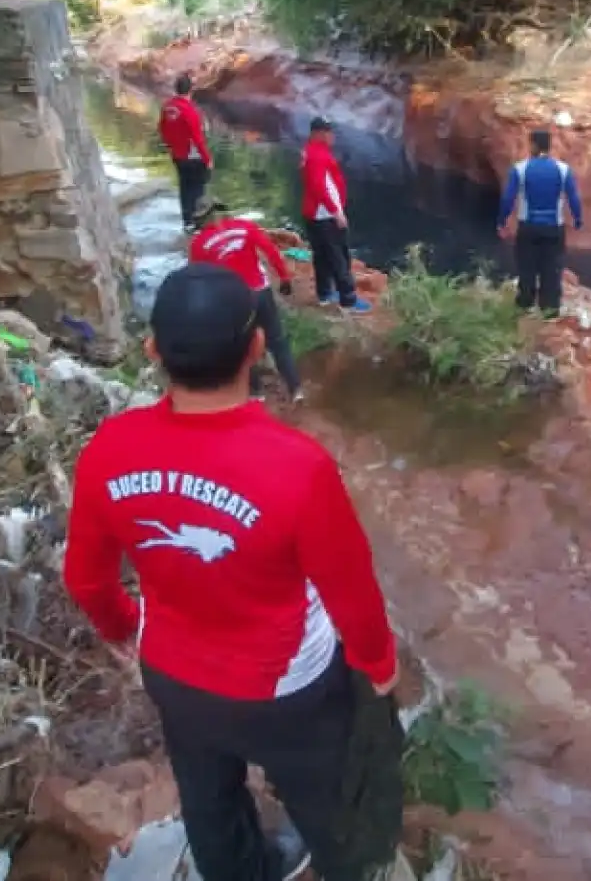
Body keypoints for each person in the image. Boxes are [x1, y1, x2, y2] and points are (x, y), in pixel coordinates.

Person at [63, 263, 402, 881]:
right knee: (328, 800)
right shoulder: (298, 466)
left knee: (209, 800)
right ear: (255, 347)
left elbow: (87, 578)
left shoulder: (109, 447)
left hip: (172, 672)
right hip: (288, 692)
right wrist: (379, 665)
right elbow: (351, 593)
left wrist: (125, 630)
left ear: (152, 351)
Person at [189, 216, 302, 402]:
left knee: (243, 345)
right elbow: (271, 251)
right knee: (277, 341)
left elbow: (198, 276)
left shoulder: (200, 243)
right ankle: (296, 388)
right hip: (261, 291)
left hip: (234, 299)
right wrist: (284, 277)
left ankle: (256, 393)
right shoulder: (246, 227)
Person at [497, 127, 584, 317]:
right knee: (552, 267)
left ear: (533, 145)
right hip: (554, 228)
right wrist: (578, 219)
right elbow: (574, 197)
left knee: (526, 265)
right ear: (549, 146)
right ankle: (550, 308)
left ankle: (525, 303)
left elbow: (508, 198)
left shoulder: (520, 169)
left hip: (528, 227)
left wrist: (502, 221)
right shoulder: (563, 169)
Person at [300, 118, 370, 314]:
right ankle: (348, 299)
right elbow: (320, 187)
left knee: (322, 256)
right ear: (318, 133)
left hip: (314, 214)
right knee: (339, 257)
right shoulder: (317, 155)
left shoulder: (311, 151)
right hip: (324, 216)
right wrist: (336, 212)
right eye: (329, 132)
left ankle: (324, 294)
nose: (333, 136)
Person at [159, 75, 214, 230]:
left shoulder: (167, 107)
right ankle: (198, 225)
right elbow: (197, 138)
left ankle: (187, 222)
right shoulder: (190, 111)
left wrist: (171, 146)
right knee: (197, 189)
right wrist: (208, 159)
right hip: (194, 156)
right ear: (191, 90)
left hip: (177, 155)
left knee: (184, 188)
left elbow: (162, 129)